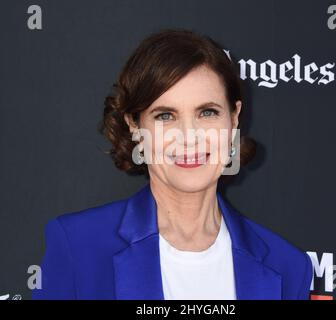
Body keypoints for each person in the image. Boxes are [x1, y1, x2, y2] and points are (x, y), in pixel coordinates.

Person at [32, 28, 313, 300]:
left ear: (234, 118)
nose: (189, 137)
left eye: (207, 112)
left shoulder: (287, 266)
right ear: (134, 124)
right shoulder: (79, 246)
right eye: (165, 116)